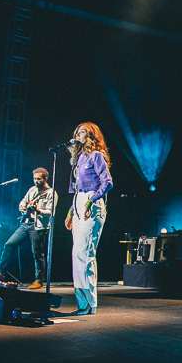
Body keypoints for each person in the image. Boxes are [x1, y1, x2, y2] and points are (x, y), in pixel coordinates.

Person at [63, 122, 113, 315]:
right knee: (77, 254)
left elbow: (107, 182)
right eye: (76, 131)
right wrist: (70, 212)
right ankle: (82, 303)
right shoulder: (79, 158)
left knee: (85, 253)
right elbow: (77, 189)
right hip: (78, 202)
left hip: (92, 201)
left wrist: (91, 201)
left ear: (91, 136)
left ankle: (89, 304)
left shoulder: (96, 156)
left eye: (82, 131)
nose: (78, 134)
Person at [0, 168, 54, 288]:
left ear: (45, 178)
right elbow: (23, 201)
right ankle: (1, 273)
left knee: (37, 253)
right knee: (9, 244)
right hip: (26, 224)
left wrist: (37, 210)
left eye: (39, 179)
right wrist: (23, 206)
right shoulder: (32, 190)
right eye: (34, 179)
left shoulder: (51, 193)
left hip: (38, 226)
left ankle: (39, 280)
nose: (36, 181)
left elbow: (50, 212)